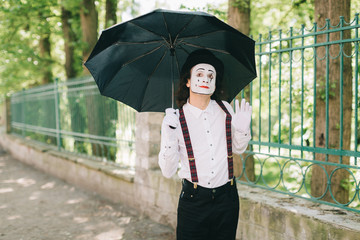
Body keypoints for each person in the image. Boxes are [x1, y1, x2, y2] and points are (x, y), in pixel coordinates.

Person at [158, 49, 252, 240]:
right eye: (199, 74)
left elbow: (237, 149)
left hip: (227, 198)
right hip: (193, 202)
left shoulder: (225, 109)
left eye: (211, 76)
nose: (206, 79)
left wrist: (242, 130)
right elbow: (168, 172)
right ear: (188, 80)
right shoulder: (175, 119)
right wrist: (168, 136)